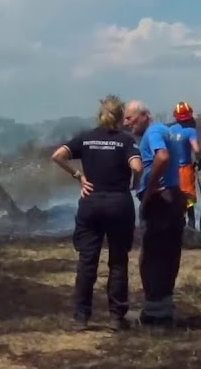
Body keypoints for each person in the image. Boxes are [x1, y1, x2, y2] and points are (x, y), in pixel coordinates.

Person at [51, 95, 144, 332]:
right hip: (118, 204)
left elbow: (57, 155)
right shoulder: (125, 140)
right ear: (120, 117)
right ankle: (116, 318)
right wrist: (135, 183)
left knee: (87, 261)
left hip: (90, 203)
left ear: (100, 116)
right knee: (118, 261)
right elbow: (137, 166)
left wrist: (79, 176)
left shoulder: (86, 138)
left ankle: (81, 318)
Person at [124, 100, 187, 328]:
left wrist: (149, 189)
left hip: (161, 201)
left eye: (129, 118)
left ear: (144, 115)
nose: (126, 123)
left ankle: (153, 313)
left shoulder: (153, 133)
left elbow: (162, 157)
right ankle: (163, 310)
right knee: (168, 255)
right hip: (174, 197)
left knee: (151, 256)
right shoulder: (167, 131)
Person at [169, 102, 201, 229]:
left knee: (174, 198)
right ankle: (191, 226)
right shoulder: (190, 131)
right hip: (185, 169)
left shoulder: (170, 130)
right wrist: (200, 160)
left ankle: (177, 226)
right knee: (188, 199)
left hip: (171, 170)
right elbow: (197, 150)